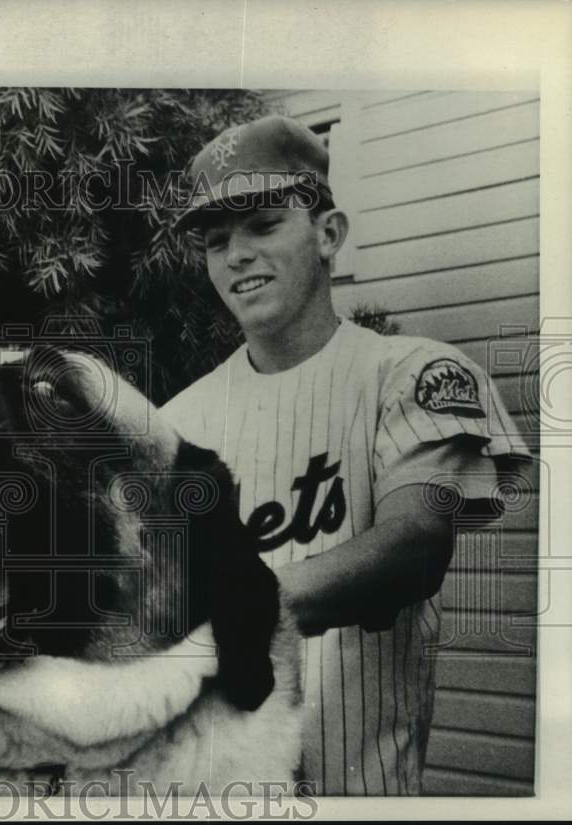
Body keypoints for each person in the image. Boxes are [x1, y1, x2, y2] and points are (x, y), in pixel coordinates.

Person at [162, 114, 530, 795]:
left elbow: (415, 549)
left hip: (360, 789)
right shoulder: (176, 425)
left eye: (263, 225)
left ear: (328, 234)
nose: (236, 254)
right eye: (216, 241)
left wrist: (248, 605)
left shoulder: (409, 372)